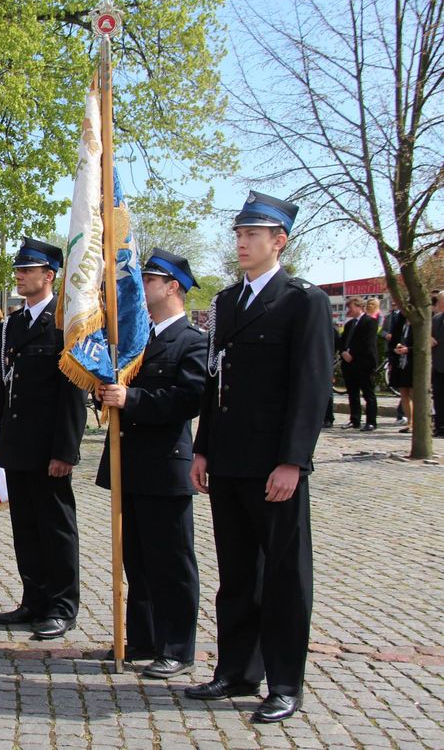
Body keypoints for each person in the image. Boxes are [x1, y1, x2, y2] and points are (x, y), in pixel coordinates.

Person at [188, 191, 333, 724]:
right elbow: (214, 379)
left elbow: (312, 387)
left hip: (275, 464)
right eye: (239, 234)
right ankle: (237, 670)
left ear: (279, 241)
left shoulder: (303, 301)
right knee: (237, 572)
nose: (242, 243)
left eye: (252, 235)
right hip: (227, 459)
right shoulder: (227, 302)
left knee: (284, 576)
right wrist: (202, 447)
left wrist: (293, 460)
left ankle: (285, 682)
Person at [95, 248, 207, 678]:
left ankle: (177, 647)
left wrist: (133, 399)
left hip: (165, 466)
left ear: (172, 286)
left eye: (148, 280)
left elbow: (188, 399)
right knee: (136, 560)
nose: (139, 287)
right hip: (131, 464)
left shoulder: (192, 341)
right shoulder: (137, 339)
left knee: (171, 563)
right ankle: (141, 638)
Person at [0, 237, 87, 640]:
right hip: (19, 443)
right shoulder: (9, 325)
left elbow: (72, 393)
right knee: (25, 525)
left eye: (28, 270)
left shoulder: (66, 322)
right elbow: (6, 388)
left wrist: (65, 449)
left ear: (50, 276)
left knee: (56, 527)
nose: (20, 275)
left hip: (50, 446)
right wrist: (2, 440)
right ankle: (34, 598)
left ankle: (62, 606)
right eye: (18, 269)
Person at [339, 296, 379, 431]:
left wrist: (353, 354)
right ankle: (354, 419)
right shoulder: (349, 324)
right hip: (349, 364)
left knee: (368, 393)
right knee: (352, 393)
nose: (349, 310)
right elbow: (343, 341)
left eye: (350, 307)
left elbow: (368, 343)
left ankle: (371, 421)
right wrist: (343, 352)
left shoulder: (370, 322)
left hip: (363, 363)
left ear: (359, 306)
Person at [432, 292, 444, 437]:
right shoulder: (436, 319)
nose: (437, 303)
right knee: (439, 397)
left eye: (439, 300)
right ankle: (440, 425)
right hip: (438, 364)